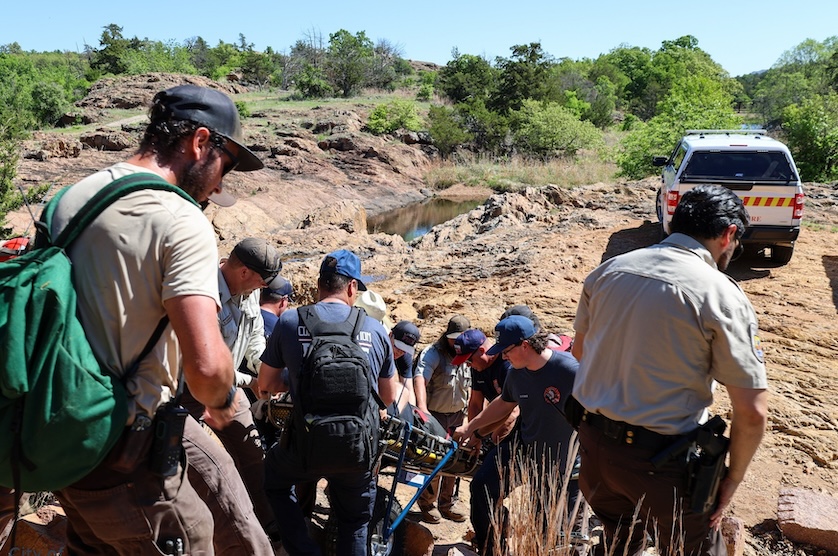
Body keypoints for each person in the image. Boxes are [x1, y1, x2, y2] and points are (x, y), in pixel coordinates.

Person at [46, 84, 272, 554]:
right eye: (225, 165)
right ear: (200, 142)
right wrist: (227, 397)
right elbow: (208, 372)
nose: (221, 185)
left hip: (57, 425)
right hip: (121, 442)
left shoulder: (71, 197)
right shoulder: (181, 218)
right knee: (193, 539)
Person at [571, 184, 768, 556]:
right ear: (728, 234)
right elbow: (752, 411)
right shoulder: (720, 293)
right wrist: (733, 479)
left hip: (595, 453)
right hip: (663, 465)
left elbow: (580, 350)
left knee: (620, 546)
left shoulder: (608, 270)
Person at [259, 249, 399, 556]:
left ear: (320, 284)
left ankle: (304, 550)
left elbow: (266, 384)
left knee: (275, 483)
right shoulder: (375, 330)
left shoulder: (290, 320)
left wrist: (295, 379)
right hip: (357, 447)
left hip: (305, 444)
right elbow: (387, 397)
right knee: (354, 520)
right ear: (351, 287)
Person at [181, 237, 281, 540]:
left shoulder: (248, 294)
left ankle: (269, 524)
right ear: (244, 273)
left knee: (252, 451)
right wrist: (247, 381)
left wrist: (266, 371)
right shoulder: (203, 291)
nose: (262, 289)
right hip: (188, 392)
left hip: (227, 388)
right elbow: (201, 364)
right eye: (261, 282)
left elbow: (254, 341)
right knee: (202, 465)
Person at [454, 316, 579, 555]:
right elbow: (503, 404)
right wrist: (470, 428)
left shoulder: (570, 370)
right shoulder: (516, 374)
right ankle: (491, 548)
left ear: (525, 345)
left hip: (561, 463)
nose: (503, 356)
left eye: (506, 350)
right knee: (482, 486)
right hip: (525, 448)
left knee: (549, 529)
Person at [414, 314, 472, 524]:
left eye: (460, 339)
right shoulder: (433, 353)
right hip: (435, 415)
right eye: (452, 338)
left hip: (458, 415)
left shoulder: (468, 354)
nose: (455, 343)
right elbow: (420, 377)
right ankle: (427, 502)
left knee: (456, 461)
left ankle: (448, 503)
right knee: (433, 460)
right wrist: (422, 409)